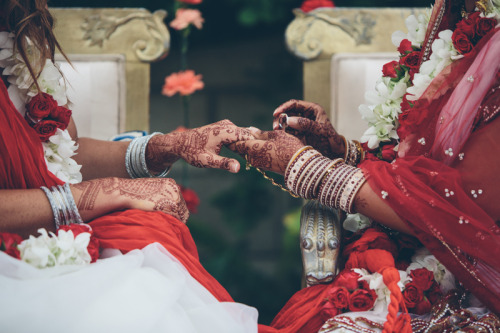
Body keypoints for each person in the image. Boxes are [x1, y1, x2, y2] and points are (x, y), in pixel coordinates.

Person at [233, 0, 500, 331]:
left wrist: (307, 168)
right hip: (414, 252)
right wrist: (342, 151)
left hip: (475, 284)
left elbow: (457, 214)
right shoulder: (466, 20)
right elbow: (425, 165)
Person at [0, 1, 259, 332]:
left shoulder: (17, 36)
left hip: (60, 244)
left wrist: (164, 147)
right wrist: (101, 193)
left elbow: (62, 157)